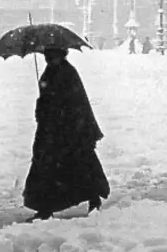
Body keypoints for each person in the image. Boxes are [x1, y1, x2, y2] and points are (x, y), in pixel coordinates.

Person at [23, 47, 110, 222]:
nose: (48, 59)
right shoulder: (54, 71)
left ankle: (90, 199)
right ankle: (45, 207)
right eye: (47, 57)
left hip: (67, 131)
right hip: (54, 130)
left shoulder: (67, 73)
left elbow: (72, 102)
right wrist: (43, 105)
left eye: (51, 56)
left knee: (73, 166)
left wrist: (49, 107)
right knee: (56, 167)